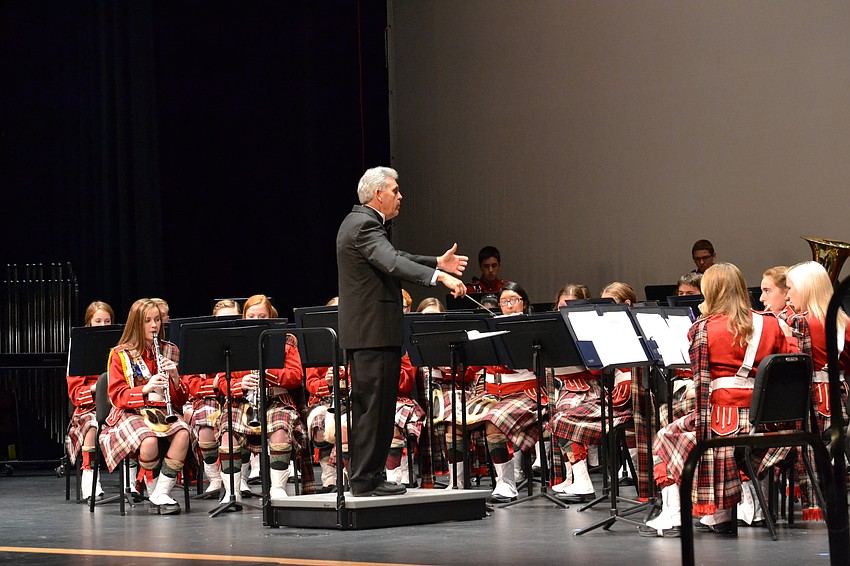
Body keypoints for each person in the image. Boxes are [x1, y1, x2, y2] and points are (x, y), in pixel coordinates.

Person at [336, 166, 467, 497]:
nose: (400, 196)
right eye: (395, 190)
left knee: (376, 408)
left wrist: (437, 261)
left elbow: (397, 256)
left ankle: (369, 476)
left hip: (372, 333)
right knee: (375, 409)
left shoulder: (362, 223)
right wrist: (440, 278)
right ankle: (366, 479)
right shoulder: (364, 224)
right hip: (373, 333)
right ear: (378, 194)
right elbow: (392, 262)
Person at [640, 263, 793, 537]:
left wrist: (700, 429)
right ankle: (720, 514)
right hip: (767, 423)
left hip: (724, 422)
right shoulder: (771, 323)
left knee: (665, 436)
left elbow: (701, 387)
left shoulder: (703, 328)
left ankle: (675, 515)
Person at [443, 282, 540, 503]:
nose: (509, 306)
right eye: (505, 302)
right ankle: (455, 483)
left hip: (525, 394)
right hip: (490, 395)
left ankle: (506, 484)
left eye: (514, 300)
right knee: (453, 420)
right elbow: (474, 366)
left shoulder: (532, 327)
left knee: (493, 421)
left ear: (523, 303)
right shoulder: (491, 328)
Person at [100, 298, 192, 515]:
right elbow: (117, 396)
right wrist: (145, 388)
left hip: (161, 410)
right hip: (130, 411)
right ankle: (153, 489)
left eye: (157, 320)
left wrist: (176, 378)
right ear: (135, 323)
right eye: (148, 321)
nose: (154, 326)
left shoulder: (170, 350)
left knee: (183, 434)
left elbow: (181, 399)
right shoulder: (120, 354)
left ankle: (161, 492)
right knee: (148, 440)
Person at [216, 294, 310, 501]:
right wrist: (239, 385)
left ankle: (277, 487)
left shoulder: (286, 340)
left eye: (261, 315)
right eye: (251, 316)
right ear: (244, 317)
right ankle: (233, 491)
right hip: (243, 401)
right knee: (227, 433)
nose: (256, 320)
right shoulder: (234, 340)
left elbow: (296, 376)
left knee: (280, 429)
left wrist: (269, 375)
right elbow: (223, 381)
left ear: (270, 316)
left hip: (276, 399)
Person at [550, 282, 637, 501]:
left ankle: (583, 481)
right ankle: (581, 481)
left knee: (563, 417)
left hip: (629, 395)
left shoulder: (635, 326)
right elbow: (596, 367)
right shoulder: (610, 329)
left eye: (609, 304)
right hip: (619, 394)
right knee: (561, 417)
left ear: (627, 304)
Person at [784, 261, 850, 520]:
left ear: (805, 288)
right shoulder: (843, 320)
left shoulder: (800, 322)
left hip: (812, 397)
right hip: (838, 395)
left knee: (812, 453)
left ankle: (815, 504)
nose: (787, 294)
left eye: (790, 288)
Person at [184, 299, 242, 496]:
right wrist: (214, 385)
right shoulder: (201, 344)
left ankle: (239, 479)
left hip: (239, 397)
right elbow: (191, 384)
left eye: (232, 319)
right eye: (222, 320)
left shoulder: (245, 341)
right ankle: (215, 477)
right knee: (205, 422)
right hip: (210, 397)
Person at [65, 300, 115, 502]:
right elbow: (76, 394)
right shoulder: (78, 349)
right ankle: (90, 479)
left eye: (107, 321)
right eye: (98, 321)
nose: (103, 326)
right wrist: (98, 386)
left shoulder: (120, 346)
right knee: (92, 425)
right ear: (88, 324)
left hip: (117, 404)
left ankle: (135, 483)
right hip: (89, 407)